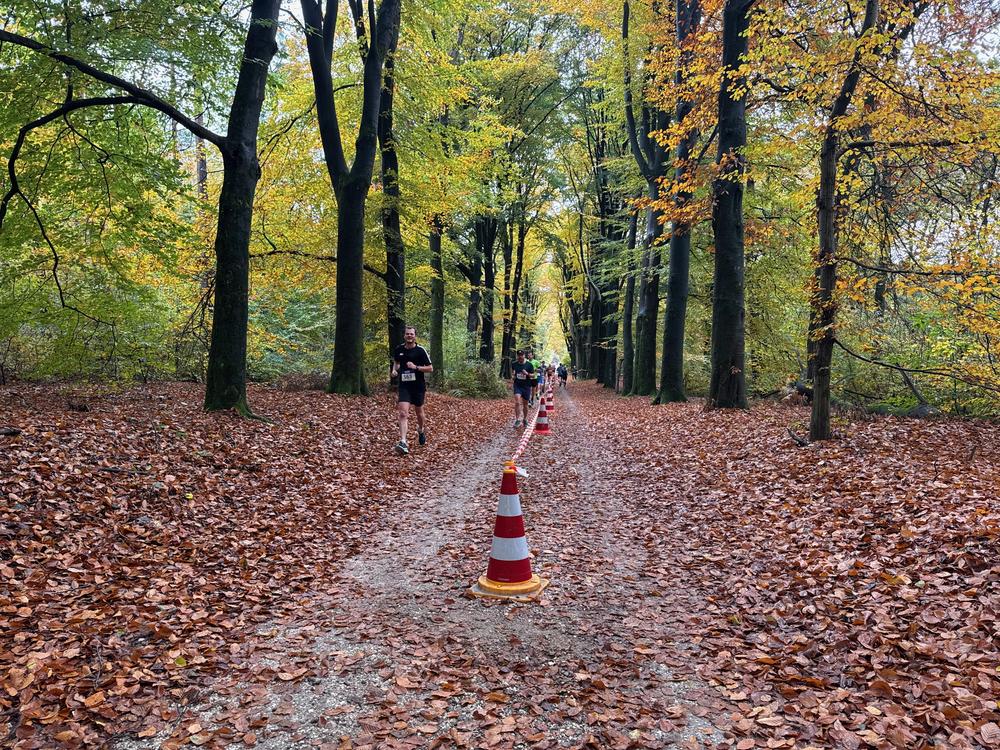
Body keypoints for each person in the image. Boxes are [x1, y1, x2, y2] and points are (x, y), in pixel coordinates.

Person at [390, 325, 433, 455]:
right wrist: (394, 370)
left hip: (418, 386)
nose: (409, 336)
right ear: (404, 335)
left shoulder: (420, 351)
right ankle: (403, 441)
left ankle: (420, 430)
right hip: (404, 386)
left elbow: (430, 368)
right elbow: (397, 363)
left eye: (411, 334)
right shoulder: (399, 349)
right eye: (407, 334)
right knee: (403, 413)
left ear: (415, 336)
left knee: (419, 413)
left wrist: (416, 367)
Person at [510, 349, 534, 428]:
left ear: (524, 356)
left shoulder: (529, 365)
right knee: (517, 402)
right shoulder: (514, 364)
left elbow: (533, 375)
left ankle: (525, 419)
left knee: (525, 404)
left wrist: (527, 373)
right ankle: (517, 420)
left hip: (526, 386)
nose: (520, 357)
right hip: (518, 385)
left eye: (521, 355)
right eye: (519, 355)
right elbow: (513, 373)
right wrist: (513, 376)